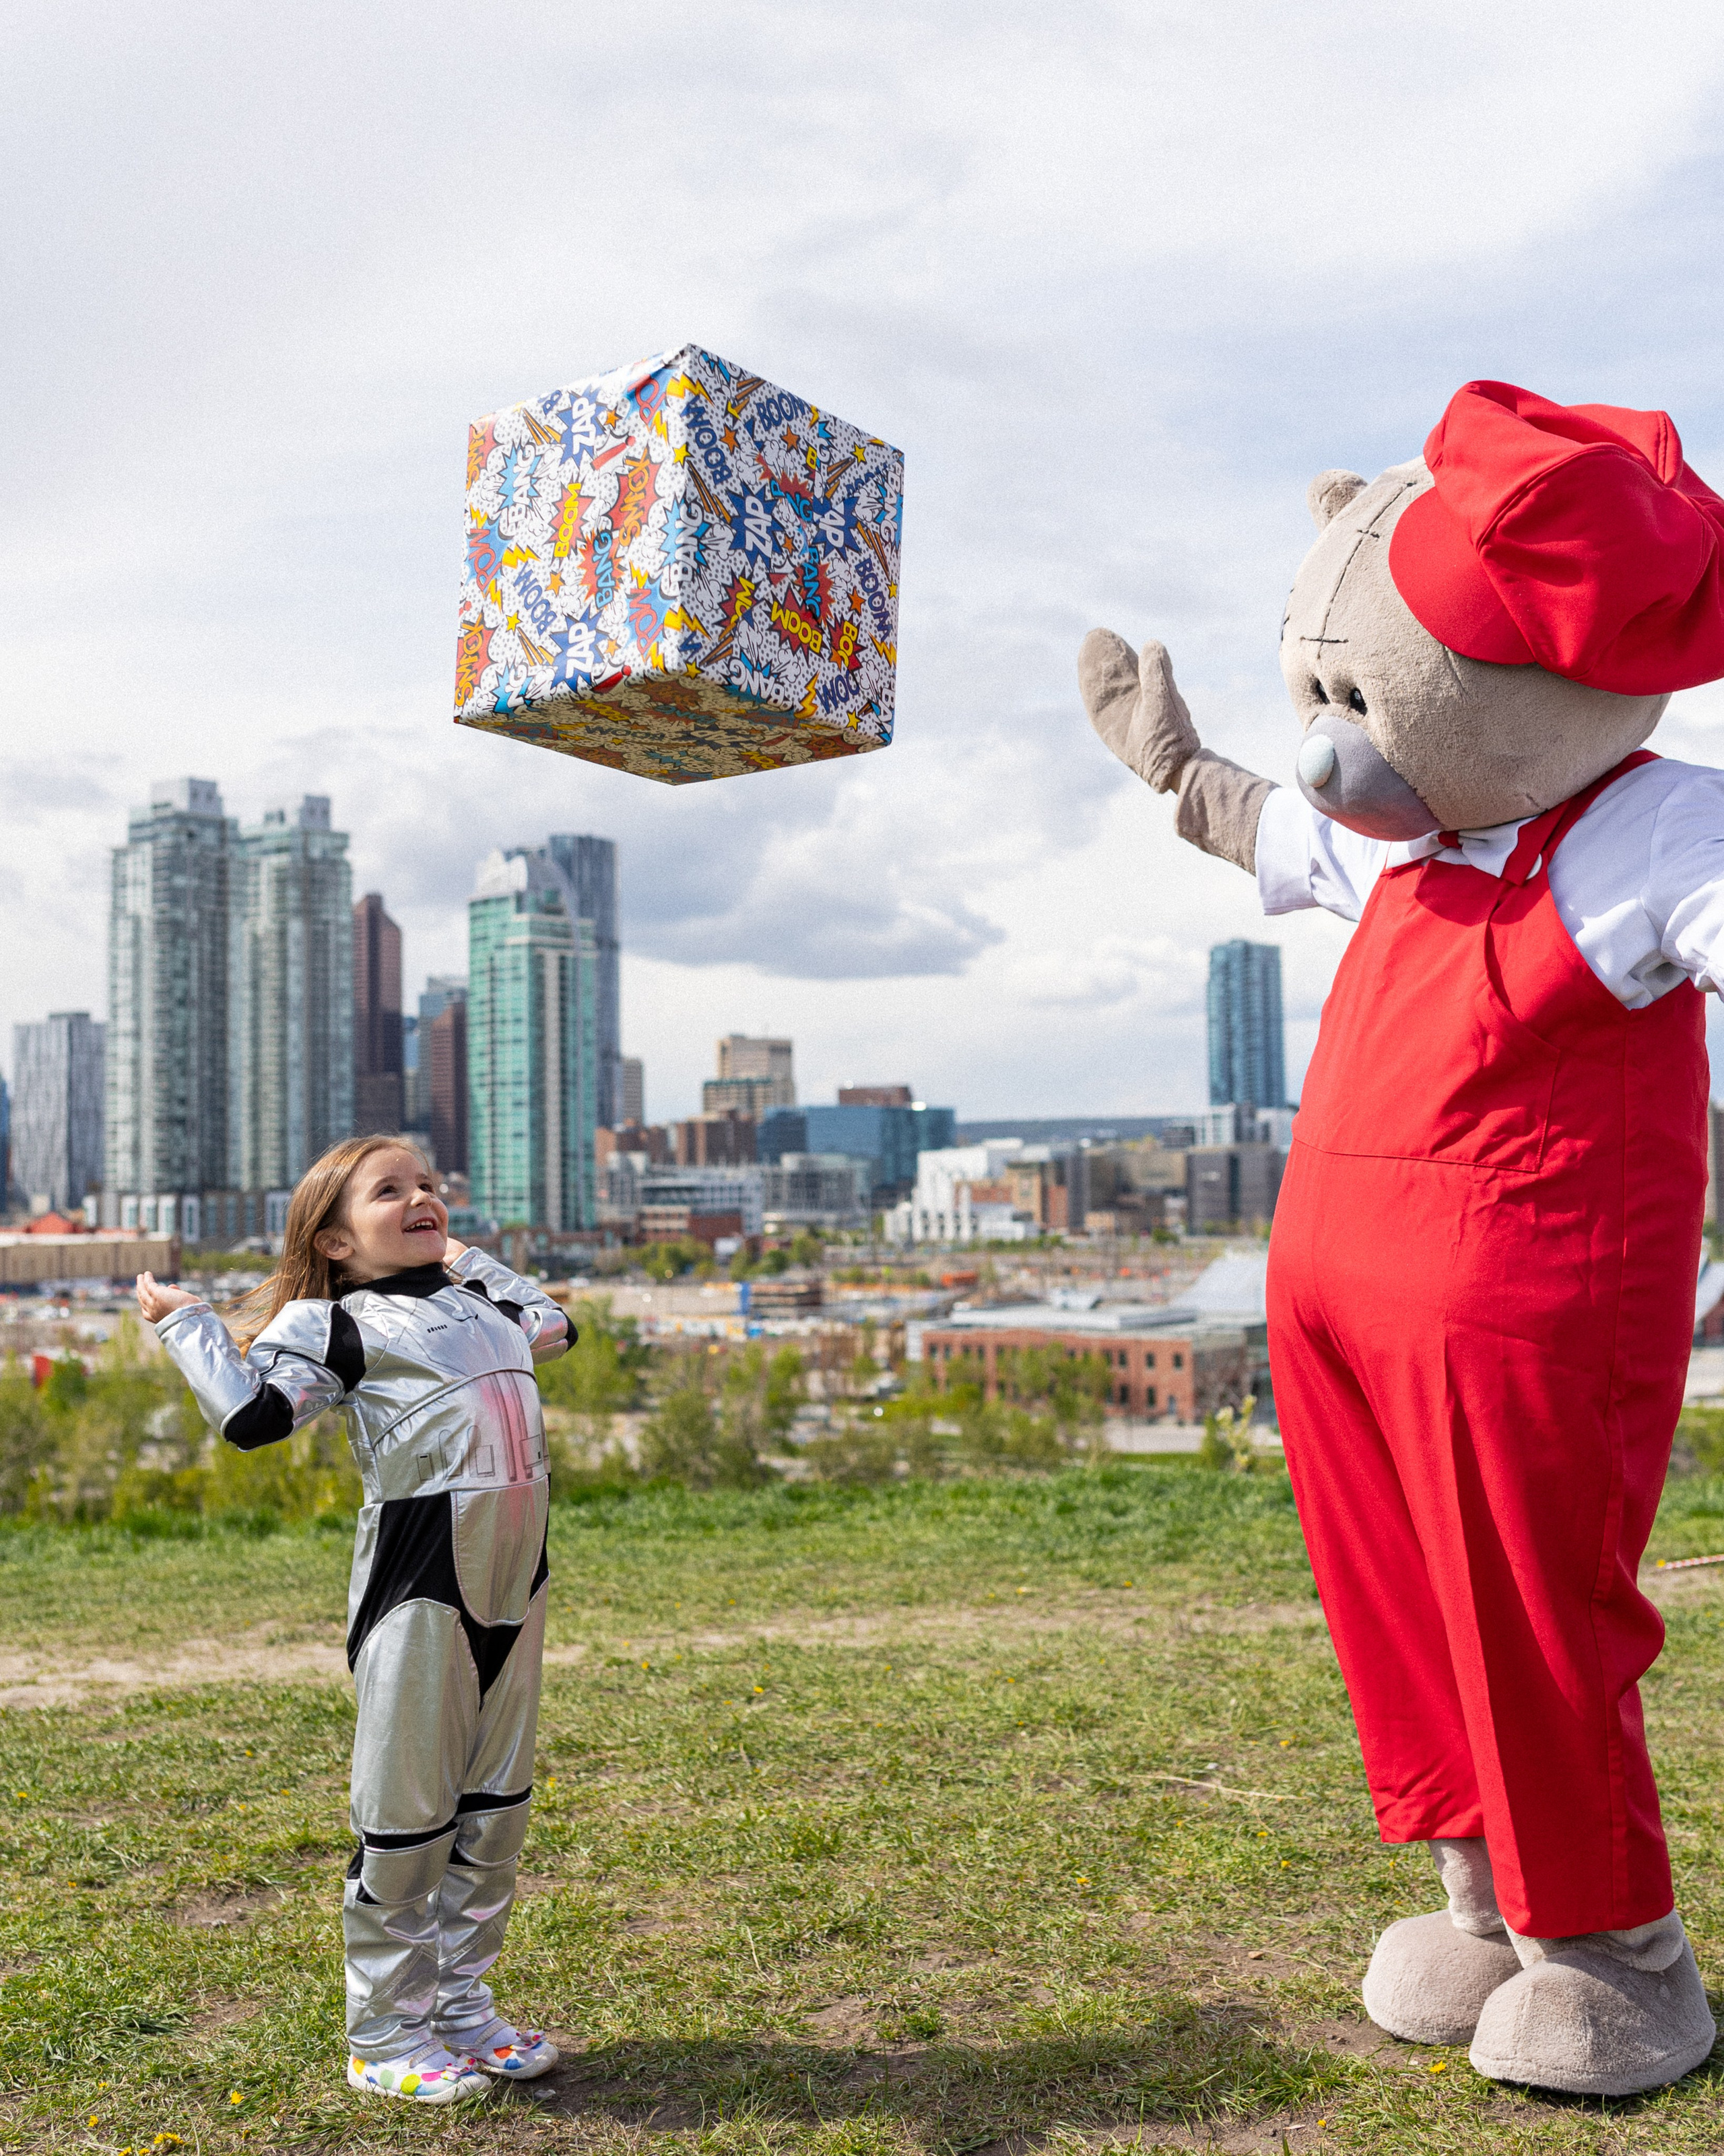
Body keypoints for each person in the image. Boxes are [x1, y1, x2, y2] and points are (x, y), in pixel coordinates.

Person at [137, 1134, 572, 2105]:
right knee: (406, 1818)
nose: (424, 1197)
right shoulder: (334, 1324)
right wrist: (190, 1325)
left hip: (518, 1584)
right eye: (392, 1190)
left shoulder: (487, 1304)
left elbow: (557, 1322)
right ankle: (384, 2032)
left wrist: (471, 1260)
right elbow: (254, 1418)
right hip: (419, 1592)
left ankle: (462, 2006)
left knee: (495, 1808)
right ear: (334, 1238)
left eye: (430, 1184)